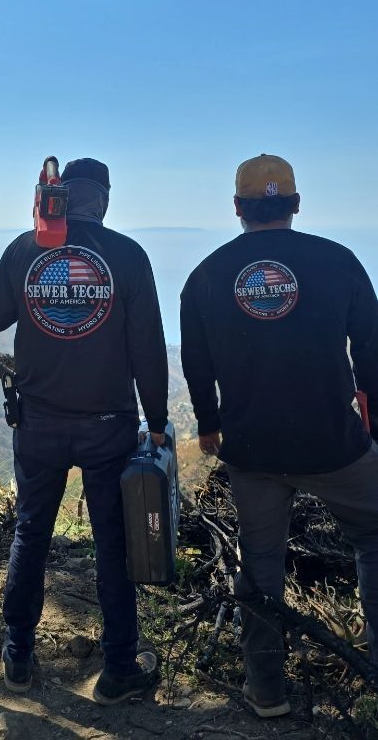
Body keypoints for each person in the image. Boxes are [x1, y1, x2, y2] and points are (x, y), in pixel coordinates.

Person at [180, 154, 378, 719]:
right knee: (374, 537)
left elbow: (197, 362)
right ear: (294, 204)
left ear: (238, 208)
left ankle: (266, 688)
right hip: (335, 445)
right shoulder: (338, 262)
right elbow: (370, 351)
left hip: (253, 451)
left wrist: (210, 425)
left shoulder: (208, 273)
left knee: (260, 562)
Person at [0, 157, 168, 704]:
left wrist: (34, 253)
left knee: (31, 532)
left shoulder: (26, 247)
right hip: (109, 427)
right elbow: (149, 351)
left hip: (38, 423)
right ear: (103, 199)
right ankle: (119, 667)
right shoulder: (129, 256)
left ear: (53, 197)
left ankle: (16, 656)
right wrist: (156, 422)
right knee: (113, 543)